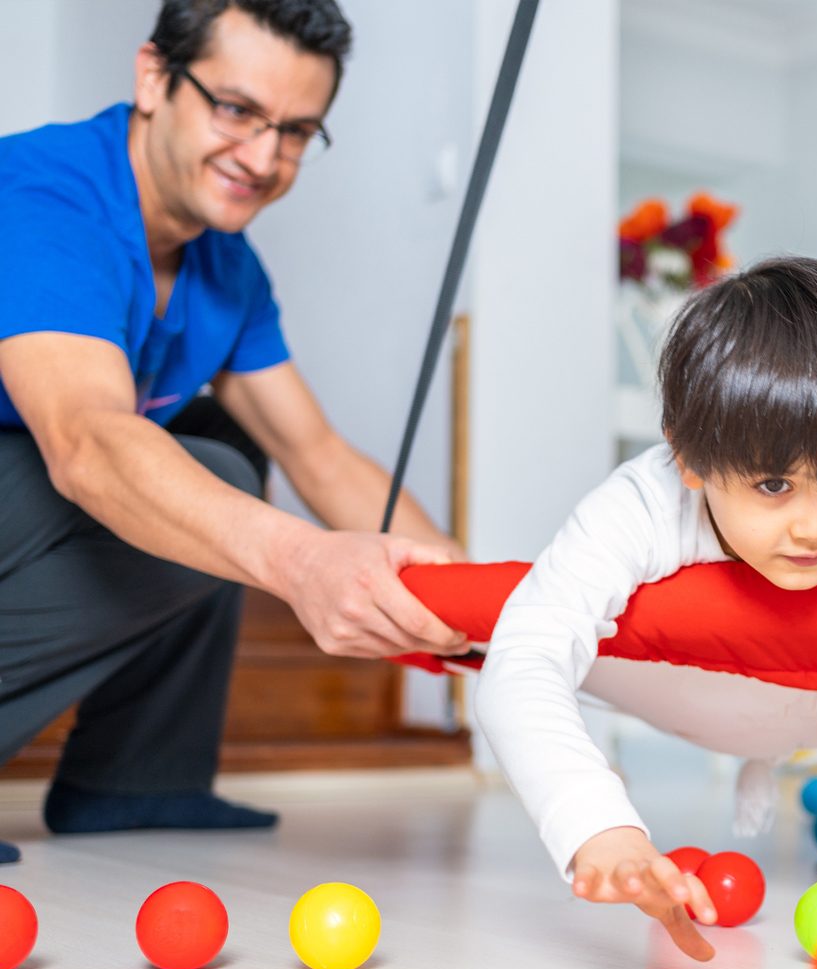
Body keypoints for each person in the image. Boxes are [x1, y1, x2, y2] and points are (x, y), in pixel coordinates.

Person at [0, 0, 469, 865]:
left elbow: (319, 456)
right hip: (46, 465)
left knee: (223, 450)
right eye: (237, 110)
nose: (263, 158)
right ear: (153, 78)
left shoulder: (228, 269)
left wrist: (478, 606)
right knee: (198, 468)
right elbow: (86, 440)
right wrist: (300, 563)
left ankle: (137, 781)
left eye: (296, 131)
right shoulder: (45, 194)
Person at [475, 257, 817, 962]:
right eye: (775, 485)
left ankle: (792, 750)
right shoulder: (639, 505)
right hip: (678, 695)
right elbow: (525, 657)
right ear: (687, 458)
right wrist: (595, 825)